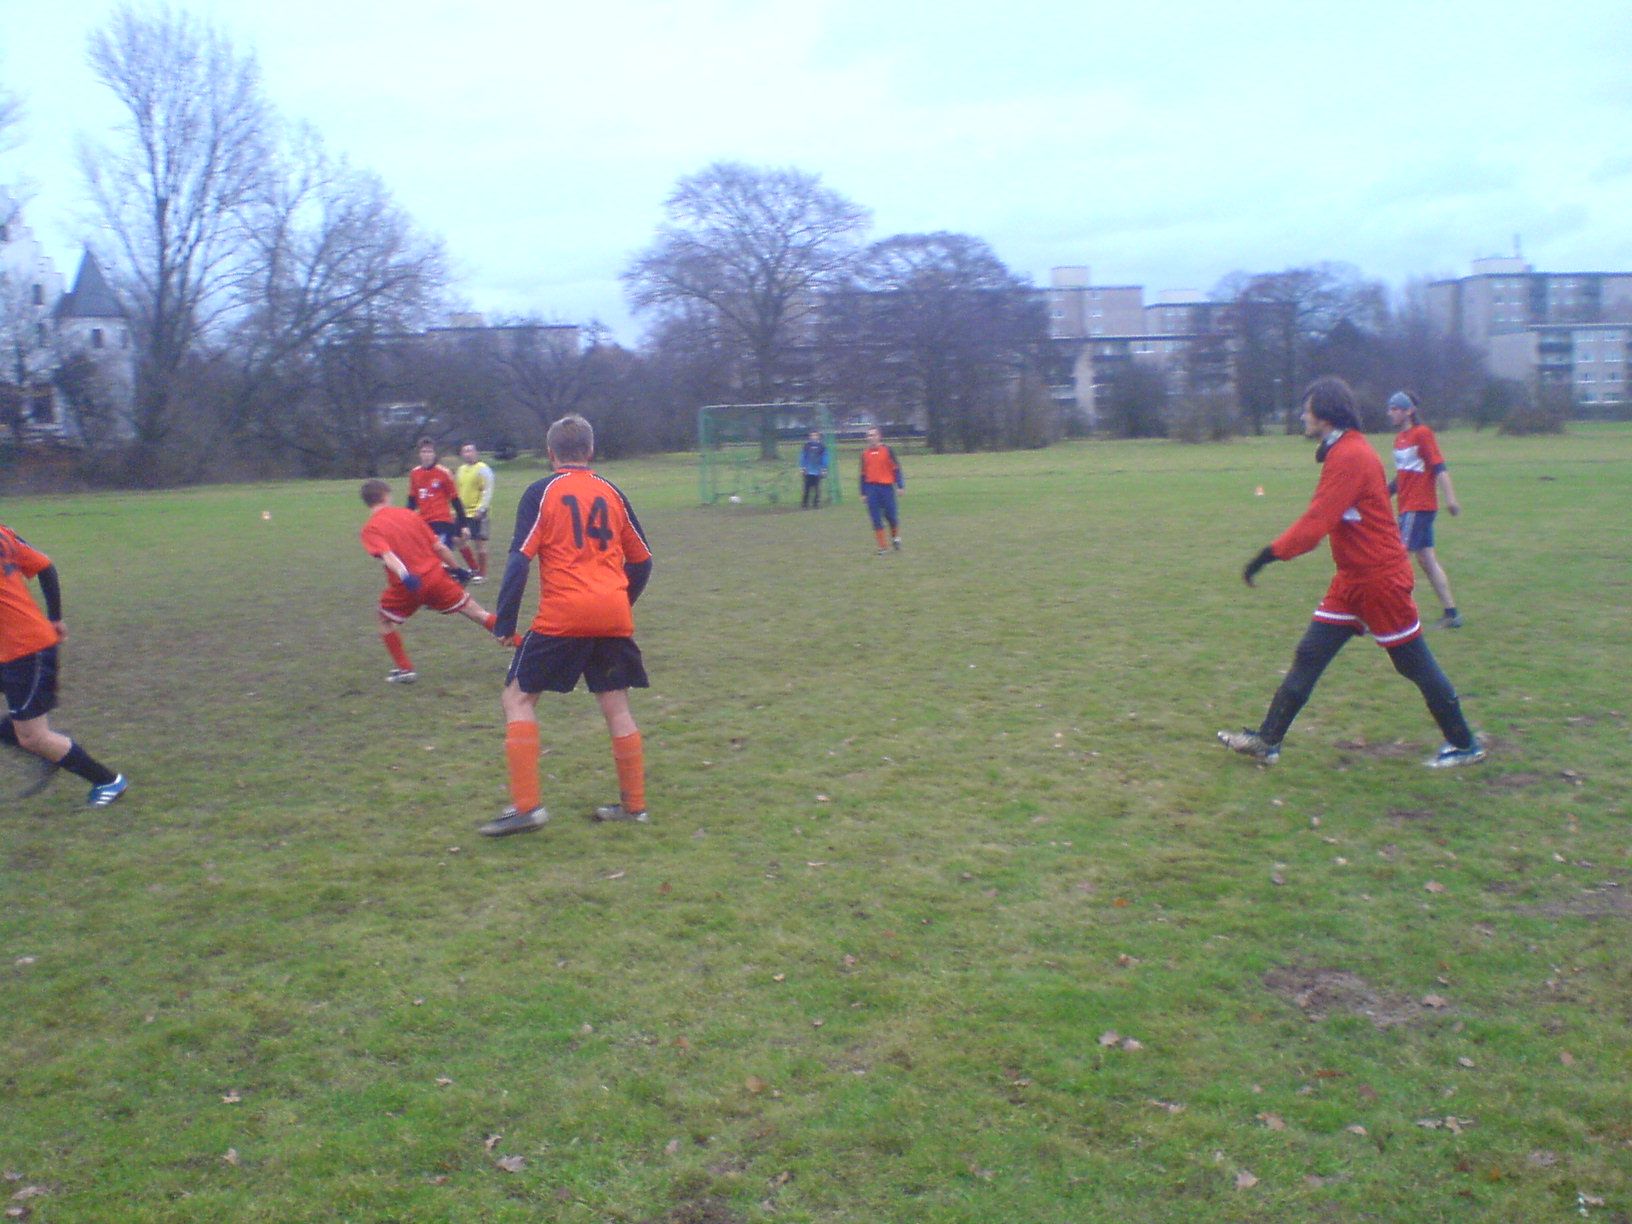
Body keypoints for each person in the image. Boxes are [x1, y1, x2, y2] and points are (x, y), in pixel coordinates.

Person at [1217, 376, 1485, 769]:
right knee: (1310, 654)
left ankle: (1464, 745)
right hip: (1352, 580)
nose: (1303, 416)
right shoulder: (1344, 450)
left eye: (1307, 409)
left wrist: (1266, 556)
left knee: (1412, 661)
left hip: (1380, 580)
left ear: (1325, 415)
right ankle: (1267, 741)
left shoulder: (1350, 456)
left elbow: (1314, 526)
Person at [485, 414, 654, 837]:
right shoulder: (611, 492)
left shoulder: (541, 492)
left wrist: (505, 621)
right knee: (617, 707)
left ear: (550, 453)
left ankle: (527, 807)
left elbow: (519, 561)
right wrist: (620, 602)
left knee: (517, 699)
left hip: (563, 615)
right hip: (612, 614)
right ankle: (634, 807)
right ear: (590, 451)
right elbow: (642, 560)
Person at [0, 520, 127, 808]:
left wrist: (54, 620)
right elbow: (45, 566)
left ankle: (108, 781)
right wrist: (55, 618)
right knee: (28, 735)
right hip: (11, 646)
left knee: (33, 737)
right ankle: (44, 751)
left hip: (25, 650)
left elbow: (44, 567)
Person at [359, 479, 497, 683]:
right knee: (478, 613)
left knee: (384, 620)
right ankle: (523, 647)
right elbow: (439, 547)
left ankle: (405, 669)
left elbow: (388, 555)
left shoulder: (370, 528)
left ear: (367, 501)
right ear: (386, 495)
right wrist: (457, 569)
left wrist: (405, 576)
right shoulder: (409, 515)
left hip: (407, 587)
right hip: (436, 577)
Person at [1387, 390, 1463, 629]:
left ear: (1409, 411)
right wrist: (1380, 495)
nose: (1390, 413)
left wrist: (1451, 499)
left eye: (1395, 409)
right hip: (1408, 507)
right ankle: (1452, 614)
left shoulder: (1422, 434)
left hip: (1418, 507)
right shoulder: (1399, 439)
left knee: (1395, 560)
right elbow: (1402, 477)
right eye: (1390, 409)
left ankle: (1389, 615)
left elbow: (1439, 467)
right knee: (1426, 560)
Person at [406, 438, 466, 551]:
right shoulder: (414, 473)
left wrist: (463, 524)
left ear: (434, 454)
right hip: (424, 522)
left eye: (429, 451)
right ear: (419, 454)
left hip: (442, 520)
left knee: (442, 554)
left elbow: (455, 500)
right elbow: (412, 500)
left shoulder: (444, 473)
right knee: (427, 555)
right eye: (424, 452)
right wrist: (406, 520)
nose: (427, 455)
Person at [858, 426, 904, 553]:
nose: (871, 438)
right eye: (869, 435)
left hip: (886, 488)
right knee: (875, 517)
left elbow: (896, 469)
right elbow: (862, 474)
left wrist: (900, 485)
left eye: (873, 435)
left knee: (891, 516)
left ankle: (895, 537)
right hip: (871, 488)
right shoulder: (864, 454)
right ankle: (882, 546)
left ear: (879, 436)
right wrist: (863, 492)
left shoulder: (888, 450)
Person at [455, 442, 496, 582]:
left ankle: (482, 574)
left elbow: (487, 490)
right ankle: (473, 568)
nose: (468, 454)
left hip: (478, 513)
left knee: (479, 544)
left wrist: (482, 508)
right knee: (458, 540)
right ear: (462, 454)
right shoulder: (460, 470)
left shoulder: (483, 469)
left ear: (476, 452)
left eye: (470, 450)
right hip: (463, 513)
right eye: (465, 451)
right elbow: (457, 491)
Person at [799, 429, 828, 508]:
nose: (813, 437)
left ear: (818, 436)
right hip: (808, 471)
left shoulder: (822, 446)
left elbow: (825, 457)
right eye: (812, 435)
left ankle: (816, 504)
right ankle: (804, 504)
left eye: (815, 435)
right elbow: (803, 457)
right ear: (810, 436)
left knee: (817, 488)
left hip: (818, 471)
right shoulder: (806, 446)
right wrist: (802, 467)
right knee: (806, 488)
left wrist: (824, 468)